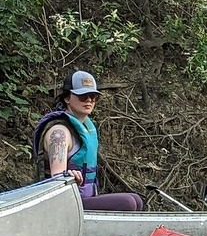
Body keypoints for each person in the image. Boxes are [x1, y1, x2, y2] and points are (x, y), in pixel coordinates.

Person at [32, 70, 143, 211]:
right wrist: (68, 175)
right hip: (64, 203)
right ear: (67, 98)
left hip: (85, 197)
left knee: (137, 200)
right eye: (83, 96)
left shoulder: (86, 127)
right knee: (129, 203)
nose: (89, 100)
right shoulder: (59, 133)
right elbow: (57, 179)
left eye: (93, 96)